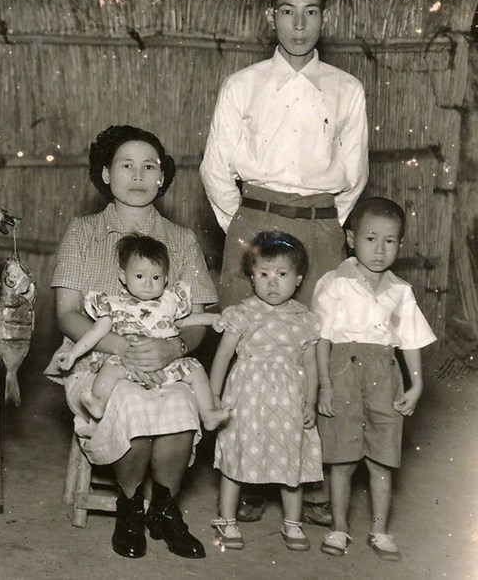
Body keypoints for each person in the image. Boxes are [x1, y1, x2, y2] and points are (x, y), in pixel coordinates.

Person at [200, 0, 368, 526]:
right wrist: (243, 228)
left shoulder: (346, 89)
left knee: (316, 348)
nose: (299, 25)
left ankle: (311, 482)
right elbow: (216, 170)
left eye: (311, 12)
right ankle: (246, 475)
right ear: (270, 16)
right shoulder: (243, 85)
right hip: (254, 221)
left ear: (325, 17)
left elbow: (354, 176)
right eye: (288, 12)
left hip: (320, 224)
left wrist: (324, 228)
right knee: (250, 350)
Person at [44, 125, 218, 559]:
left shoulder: (182, 240)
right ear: (106, 174)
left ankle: (163, 509)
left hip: (165, 358)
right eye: (126, 165)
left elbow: (196, 321)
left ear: (162, 177)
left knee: (181, 404)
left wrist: (172, 348)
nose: (138, 176)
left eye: (149, 167)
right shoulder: (83, 232)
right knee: (131, 403)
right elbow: (67, 313)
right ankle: (129, 507)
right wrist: (121, 349)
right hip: (99, 359)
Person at [312, 197, 434, 561]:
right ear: (351, 239)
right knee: (342, 459)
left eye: (389, 241)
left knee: (382, 459)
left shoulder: (401, 291)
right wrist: (325, 385)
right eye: (370, 239)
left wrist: (416, 384)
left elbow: (410, 340)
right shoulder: (334, 283)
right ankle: (339, 528)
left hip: (384, 376)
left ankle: (380, 531)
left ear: (400, 244)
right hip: (342, 374)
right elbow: (322, 339)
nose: (380, 250)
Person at [207, 231, 323, 552]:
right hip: (246, 395)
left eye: (282, 274)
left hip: (288, 399)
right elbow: (223, 356)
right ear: (252, 277)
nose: (273, 282)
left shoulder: (305, 320)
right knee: (237, 454)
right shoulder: (242, 313)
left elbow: (310, 365)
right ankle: (227, 519)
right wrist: (213, 397)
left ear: (298, 280)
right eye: (264, 274)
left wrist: (311, 401)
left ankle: (293, 523)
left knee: (291, 456)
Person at [54, 234, 229, 431]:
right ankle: (99, 401)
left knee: (196, 370)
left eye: (155, 277)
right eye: (139, 276)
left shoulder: (169, 302)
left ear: (165, 279)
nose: (148, 284)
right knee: (109, 368)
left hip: (165, 363)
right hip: (127, 362)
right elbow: (95, 333)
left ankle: (208, 414)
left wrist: (211, 319)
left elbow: (183, 322)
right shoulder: (115, 305)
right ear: (123, 277)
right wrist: (73, 354)